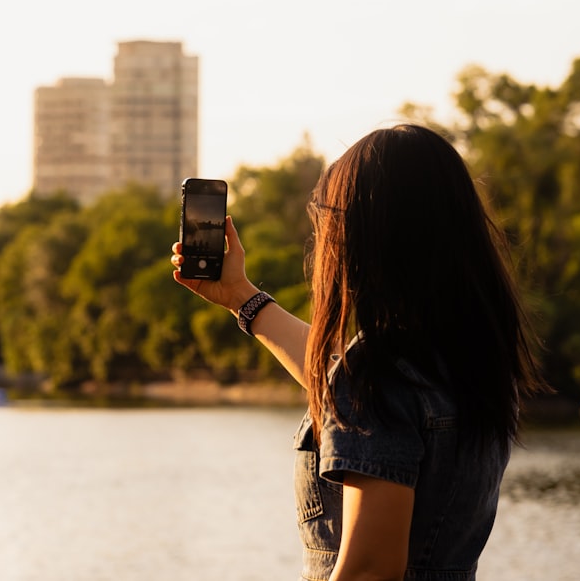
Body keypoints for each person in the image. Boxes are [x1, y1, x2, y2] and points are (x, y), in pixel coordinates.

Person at [171, 123, 548, 581]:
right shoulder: (470, 358)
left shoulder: (380, 376)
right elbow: (336, 377)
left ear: (364, 236)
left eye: (329, 223)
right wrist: (240, 297)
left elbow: (370, 571)